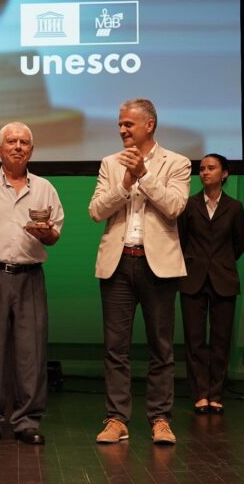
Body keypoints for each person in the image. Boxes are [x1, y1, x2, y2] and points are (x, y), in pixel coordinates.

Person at [89, 99, 190, 445]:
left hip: (157, 265)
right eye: (119, 124)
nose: (121, 130)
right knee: (115, 348)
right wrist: (125, 181)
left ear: (149, 125)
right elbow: (96, 211)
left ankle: (160, 419)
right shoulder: (110, 163)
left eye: (128, 124)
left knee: (161, 347)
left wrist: (144, 176)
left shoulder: (176, 163)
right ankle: (116, 418)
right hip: (118, 264)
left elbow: (175, 207)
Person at [0, 121, 64, 445]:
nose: (17, 146)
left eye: (23, 142)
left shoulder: (46, 188)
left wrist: (46, 233)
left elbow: (55, 235)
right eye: (11, 141)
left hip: (30, 277)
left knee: (31, 352)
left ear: (31, 150)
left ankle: (27, 421)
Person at [178, 154, 244, 415]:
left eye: (211, 168)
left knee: (220, 338)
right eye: (202, 169)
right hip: (192, 278)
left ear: (224, 174)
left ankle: (216, 394)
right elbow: (182, 239)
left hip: (224, 278)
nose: (205, 172)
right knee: (195, 340)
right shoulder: (188, 205)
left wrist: (223, 262)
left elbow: (239, 243)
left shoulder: (235, 207)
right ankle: (200, 394)